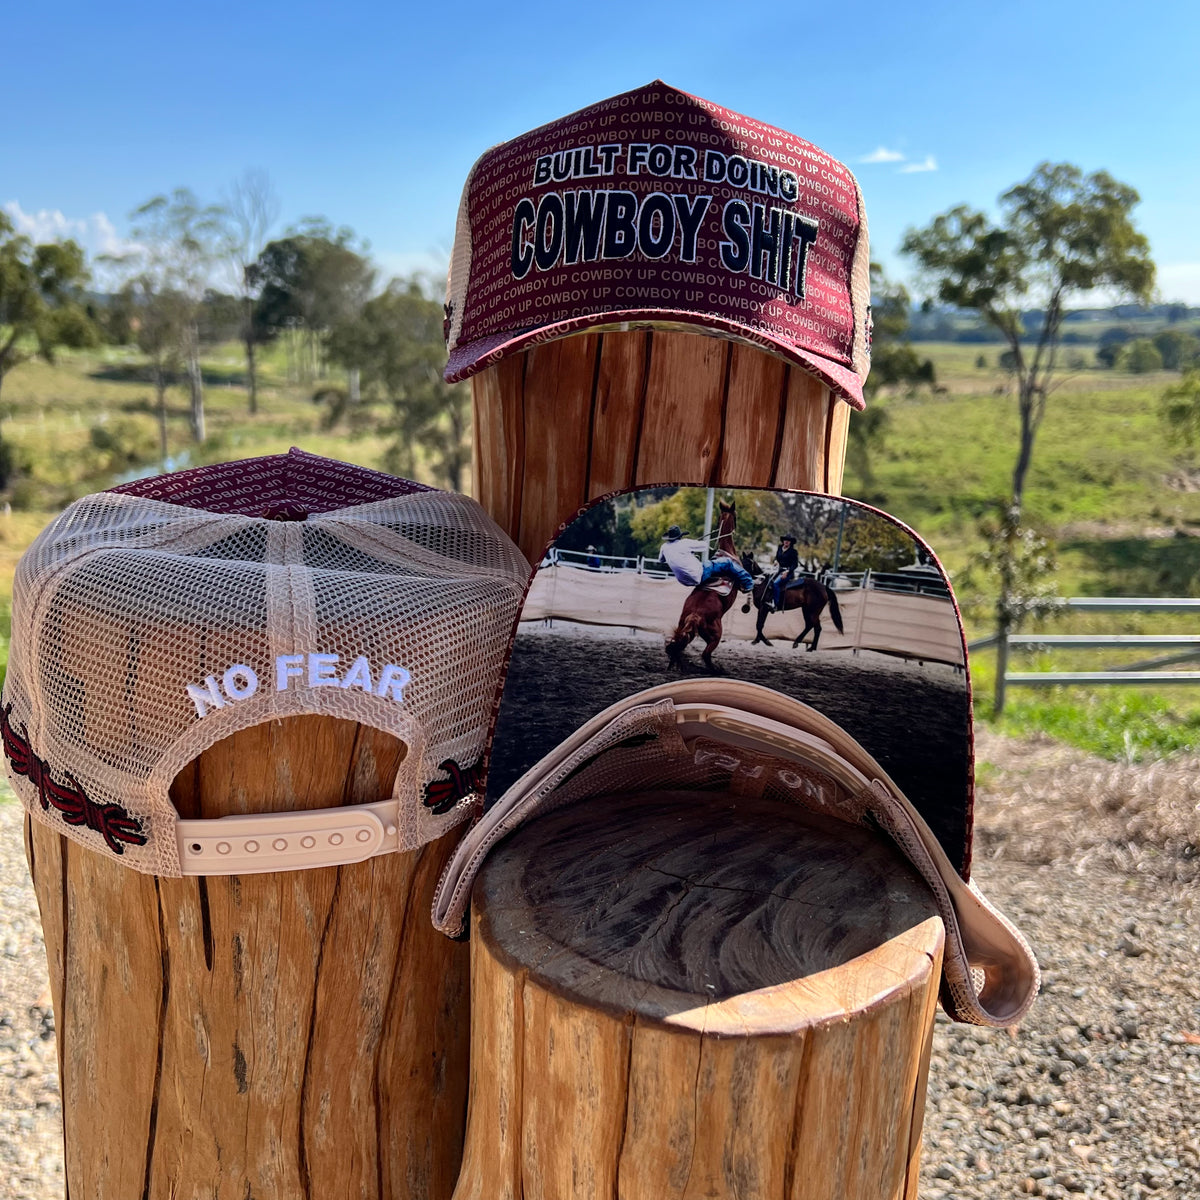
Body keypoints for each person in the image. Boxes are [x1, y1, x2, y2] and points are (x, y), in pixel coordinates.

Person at [659, 525, 754, 591]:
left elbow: (661, 560)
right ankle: (749, 583)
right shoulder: (685, 542)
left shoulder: (664, 547)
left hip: (684, 581)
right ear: (680, 536)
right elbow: (705, 546)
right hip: (699, 576)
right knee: (727, 562)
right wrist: (691, 544)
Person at [770, 534, 800, 610]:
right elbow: (777, 557)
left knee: (776, 583)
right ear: (783, 541)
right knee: (768, 580)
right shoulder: (780, 548)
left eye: (788, 540)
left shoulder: (793, 552)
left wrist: (787, 571)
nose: (786, 541)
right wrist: (776, 561)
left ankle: (776, 604)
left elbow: (795, 564)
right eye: (785, 540)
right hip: (778, 570)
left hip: (788, 572)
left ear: (790, 542)